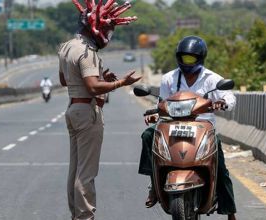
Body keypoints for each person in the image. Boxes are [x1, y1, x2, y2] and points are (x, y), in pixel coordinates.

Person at [138, 36, 237, 220]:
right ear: (178, 57)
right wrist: (156, 114)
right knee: (148, 135)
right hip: (171, 124)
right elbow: (162, 102)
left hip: (203, 127)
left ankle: (230, 211)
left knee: (220, 167)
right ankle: (154, 185)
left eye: (191, 58)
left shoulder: (212, 79)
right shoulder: (169, 78)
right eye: (184, 58)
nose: (187, 62)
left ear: (200, 58)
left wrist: (222, 102)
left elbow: (230, 98)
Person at [58, 1, 140, 220]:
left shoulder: (66, 47)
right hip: (87, 111)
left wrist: (103, 79)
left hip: (73, 109)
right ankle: (85, 216)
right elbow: (93, 87)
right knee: (86, 173)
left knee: (75, 169)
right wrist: (121, 82)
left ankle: (76, 214)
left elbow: (64, 80)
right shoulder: (87, 51)